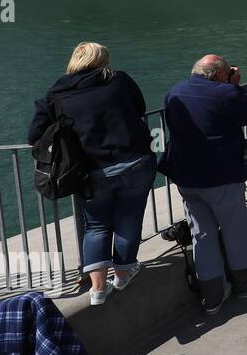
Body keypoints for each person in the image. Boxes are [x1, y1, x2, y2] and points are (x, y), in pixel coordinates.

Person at [27, 43, 157, 306]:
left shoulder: (57, 94)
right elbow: (140, 108)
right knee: (128, 219)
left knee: (96, 226)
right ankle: (122, 274)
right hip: (135, 162)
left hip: (92, 171)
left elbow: (34, 135)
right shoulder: (119, 80)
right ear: (103, 60)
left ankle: (98, 289)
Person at [161, 55, 247, 315]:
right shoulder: (226, 93)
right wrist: (234, 85)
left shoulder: (174, 91)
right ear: (221, 74)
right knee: (234, 229)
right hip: (221, 176)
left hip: (186, 176)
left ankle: (213, 296)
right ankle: (246, 282)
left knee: (202, 234)